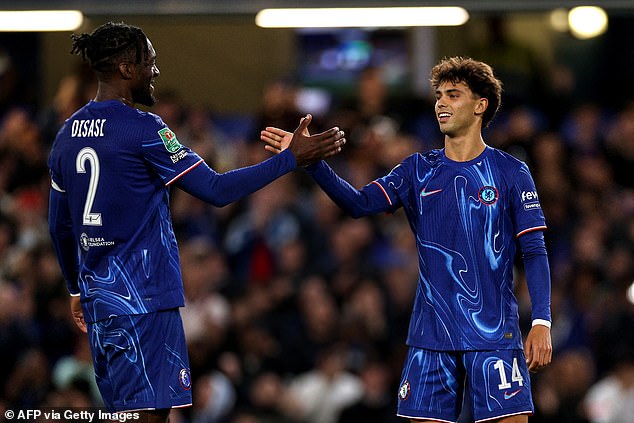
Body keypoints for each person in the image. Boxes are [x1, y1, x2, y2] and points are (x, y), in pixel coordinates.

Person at [47, 21, 345, 423]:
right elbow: (216, 190)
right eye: (149, 61)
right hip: (145, 301)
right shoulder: (143, 128)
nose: (155, 70)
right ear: (125, 69)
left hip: (101, 302)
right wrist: (291, 159)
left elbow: (59, 226)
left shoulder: (66, 135)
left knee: (122, 414)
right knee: (149, 416)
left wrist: (73, 288)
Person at [261, 56, 552, 423]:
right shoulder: (417, 170)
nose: (441, 103)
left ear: (481, 105)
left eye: (454, 95)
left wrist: (541, 321)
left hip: (495, 335)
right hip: (431, 335)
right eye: (439, 95)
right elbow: (358, 203)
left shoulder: (511, 172)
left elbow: (534, 250)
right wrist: (312, 162)